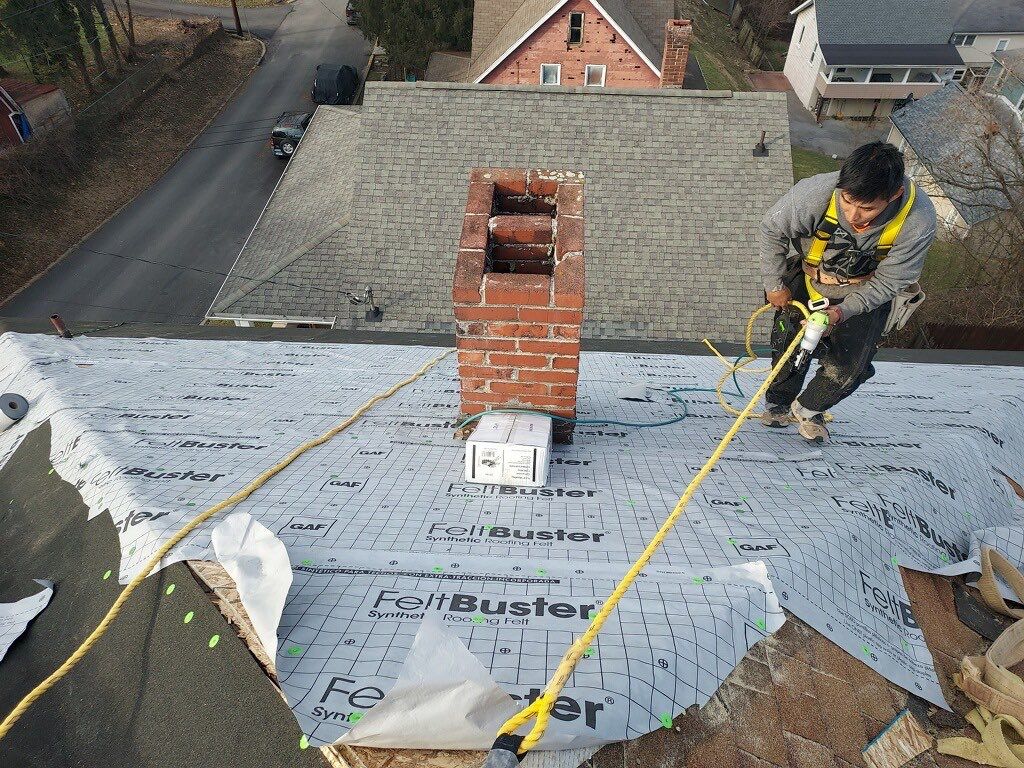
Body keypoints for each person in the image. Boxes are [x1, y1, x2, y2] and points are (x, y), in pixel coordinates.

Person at [758, 141, 937, 442]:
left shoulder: (917, 221)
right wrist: (774, 285)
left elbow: (889, 281)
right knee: (788, 346)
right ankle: (779, 400)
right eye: (848, 201)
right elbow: (772, 230)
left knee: (851, 366)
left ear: (895, 195)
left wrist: (842, 312)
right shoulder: (814, 194)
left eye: (867, 208)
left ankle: (809, 408)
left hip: (865, 291)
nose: (853, 215)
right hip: (808, 279)